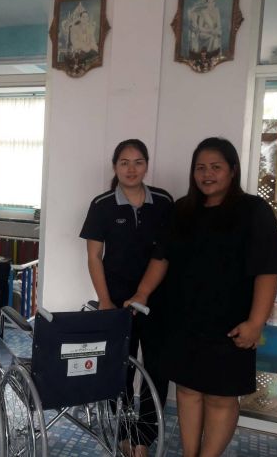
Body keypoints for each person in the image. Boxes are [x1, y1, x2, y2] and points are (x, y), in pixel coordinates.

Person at [125, 137, 277, 457]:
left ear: (232, 170)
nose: (207, 174)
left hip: (231, 324)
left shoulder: (253, 211)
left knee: (220, 397)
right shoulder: (182, 210)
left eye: (216, 167)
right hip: (183, 318)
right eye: (200, 168)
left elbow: (268, 271)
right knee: (188, 391)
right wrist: (142, 293)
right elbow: (162, 258)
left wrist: (256, 323)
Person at [80, 139, 173, 457]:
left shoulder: (163, 201)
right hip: (116, 301)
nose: (131, 169)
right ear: (115, 166)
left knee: (156, 370)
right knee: (119, 368)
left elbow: (167, 252)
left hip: (157, 300)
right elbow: (94, 257)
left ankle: (143, 438)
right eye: (124, 162)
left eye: (138, 162)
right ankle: (121, 433)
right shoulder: (102, 204)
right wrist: (104, 301)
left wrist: (145, 293)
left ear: (146, 165)